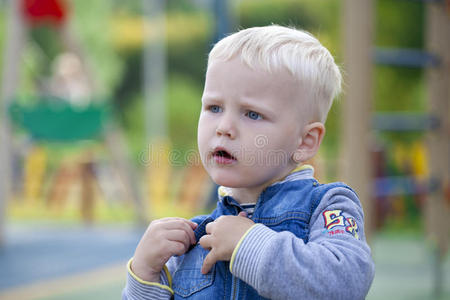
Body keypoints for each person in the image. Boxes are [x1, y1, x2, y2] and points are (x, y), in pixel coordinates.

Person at [122, 25, 375, 300]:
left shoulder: (325, 206)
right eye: (214, 108)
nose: (224, 127)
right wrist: (144, 275)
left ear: (305, 141)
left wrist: (248, 245)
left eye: (252, 114)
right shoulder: (190, 239)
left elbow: (348, 283)